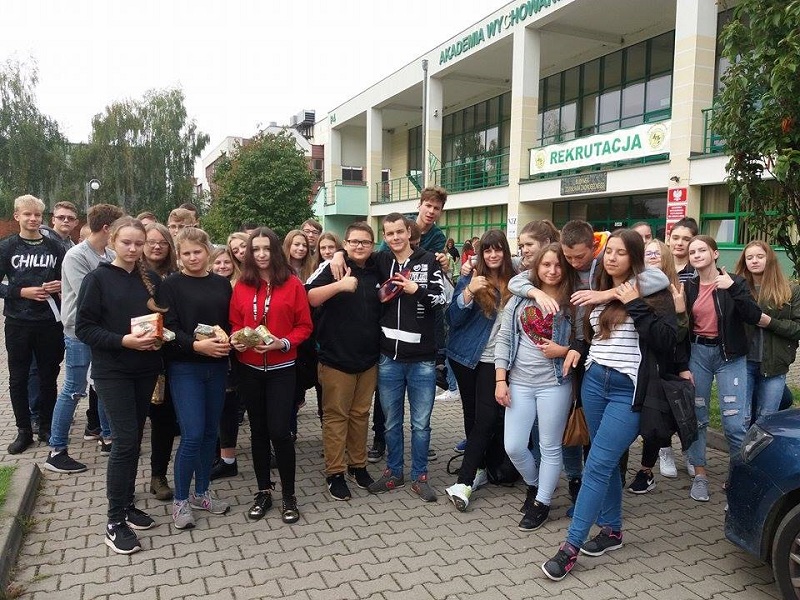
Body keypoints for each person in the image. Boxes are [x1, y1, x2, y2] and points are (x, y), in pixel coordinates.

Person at [541, 229, 677, 581]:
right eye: (610, 251)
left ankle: (570, 547)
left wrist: (632, 303)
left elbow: (667, 341)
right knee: (607, 460)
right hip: (594, 383)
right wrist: (579, 353)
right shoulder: (596, 289)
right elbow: (590, 338)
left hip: (627, 391)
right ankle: (612, 530)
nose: (613, 258)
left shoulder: (649, 292)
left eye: (621, 252)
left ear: (634, 257)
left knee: (597, 465)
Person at [75, 216, 166, 555]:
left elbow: (161, 319)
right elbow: (84, 328)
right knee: (125, 441)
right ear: (112, 240)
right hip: (113, 371)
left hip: (145, 369)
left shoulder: (150, 279)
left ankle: (127, 505)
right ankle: (113, 522)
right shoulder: (97, 279)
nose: (133, 249)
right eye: (126, 242)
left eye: (139, 243)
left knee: (134, 439)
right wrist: (122, 341)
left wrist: (161, 337)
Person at [492, 243, 581, 530]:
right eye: (546, 265)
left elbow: (584, 343)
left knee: (550, 445)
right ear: (537, 267)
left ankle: (542, 502)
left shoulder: (573, 301)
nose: (552, 270)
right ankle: (535, 484)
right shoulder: (520, 299)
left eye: (558, 265)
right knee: (514, 445)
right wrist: (501, 379)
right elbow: (504, 339)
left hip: (555, 383)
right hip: (519, 381)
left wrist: (563, 350)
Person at [229, 227, 312, 524]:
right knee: (258, 432)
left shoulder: (292, 283)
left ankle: (289, 495)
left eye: (267, 248)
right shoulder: (241, 285)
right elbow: (235, 322)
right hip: (249, 369)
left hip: (282, 369)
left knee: (280, 431)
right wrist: (237, 339)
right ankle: (263, 491)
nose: (261, 254)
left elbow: (304, 326)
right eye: (256, 249)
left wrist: (283, 343)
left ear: (276, 251)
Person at [366, 213, 446, 502]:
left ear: (409, 232)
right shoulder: (380, 260)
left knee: (421, 424)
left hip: (422, 360)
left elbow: (441, 299)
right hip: (389, 357)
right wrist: (338, 254)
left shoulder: (429, 260)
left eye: (399, 232)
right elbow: (353, 256)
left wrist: (417, 290)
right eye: (390, 233)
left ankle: (420, 476)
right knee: (391, 422)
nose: (395, 237)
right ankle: (394, 472)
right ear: (384, 237)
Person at [160, 227, 233, 530]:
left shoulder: (222, 284)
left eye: (197, 252)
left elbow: (229, 323)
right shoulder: (170, 285)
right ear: (179, 255)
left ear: (208, 252)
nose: (192, 258)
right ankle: (180, 500)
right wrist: (195, 345)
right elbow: (168, 328)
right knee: (192, 434)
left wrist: (233, 339)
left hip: (216, 366)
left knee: (209, 434)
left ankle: (202, 493)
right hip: (185, 367)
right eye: (186, 253)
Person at [681, 235, 762, 502]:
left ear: (715, 254)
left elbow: (753, 316)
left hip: (730, 357)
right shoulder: (688, 287)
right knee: (698, 417)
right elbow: (681, 326)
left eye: (702, 250)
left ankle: (738, 479)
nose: (697, 255)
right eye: (693, 252)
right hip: (698, 354)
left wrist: (733, 289)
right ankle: (700, 475)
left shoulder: (735, 282)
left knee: (734, 423)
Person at [45, 203, 124, 474]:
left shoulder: (109, 254)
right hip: (79, 332)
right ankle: (56, 450)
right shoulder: (76, 256)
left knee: (102, 383)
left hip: (103, 331)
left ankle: (108, 437)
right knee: (74, 388)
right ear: (107, 228)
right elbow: (89, 296)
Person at [306, 221, 382, 500]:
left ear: (372, 245)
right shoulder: (332, 267)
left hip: (368, 359)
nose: (360, 246)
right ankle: (335, 472)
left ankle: (357, 466)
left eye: (365, 242)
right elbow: (310, 297)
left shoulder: (378, 267)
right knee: (336, 417)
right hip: (336, 358)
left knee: (360, 415)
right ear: (346, 244)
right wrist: (339, 285)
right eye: (354, 242)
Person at [443, 229, 515, 512]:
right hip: (465, 356)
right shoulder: (471, 278)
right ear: (480, 254)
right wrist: (469, 291)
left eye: (498, 249)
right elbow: (452, 319)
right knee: (473, 416)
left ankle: (464, 481)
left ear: (505, 251)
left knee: (487, 417)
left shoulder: (517, 280)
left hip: (495, 361)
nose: (493, 254)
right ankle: (481, 467)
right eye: (487, 250)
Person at [1, 195, 66, 454]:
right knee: (18, 378)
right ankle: (23, 430)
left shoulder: (55, 247)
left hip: (49, 321)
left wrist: (60, 285)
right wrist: (20, 292)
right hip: (18, 322)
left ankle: (46, 426)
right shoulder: (7, 247)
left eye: (37, 215)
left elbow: (67, 280)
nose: (33, 219)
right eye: (27, 214)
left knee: (49, 376)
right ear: (17, 216)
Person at [627, 238, 687, 493]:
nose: (651, 257)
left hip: (663, 362)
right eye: (647, 253)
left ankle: (646, 470)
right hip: (636, 361)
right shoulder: (633, 285)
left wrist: (681, 313)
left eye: (656, 253)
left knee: (654, 420)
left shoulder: (674, 289)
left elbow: (680, 337)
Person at [734, 241, 800, 422]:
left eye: (760, 256)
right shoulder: (737, 288)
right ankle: (743, 442)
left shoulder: (790, 290)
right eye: (749, 257)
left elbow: (798, 328)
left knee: (767, 419)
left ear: (769, 259)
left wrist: (771, 322)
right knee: (742, 417)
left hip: (775, 364)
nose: (754, 261)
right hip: (743, 362)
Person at [142, 223, 180, 501]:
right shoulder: (134, 274)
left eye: (163, 242)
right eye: (151, 242)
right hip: (139, 355)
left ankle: (158, 476)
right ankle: (123, 486)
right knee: (133, 425)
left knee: (164, 422)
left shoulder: (176, 275)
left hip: (171, 358)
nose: (157, 246)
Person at [668, 217, 698, 282]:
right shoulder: (661, 267)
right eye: (675, 238)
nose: (679, 243)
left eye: (686, 239)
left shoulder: (699, 270)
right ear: (668, 239)